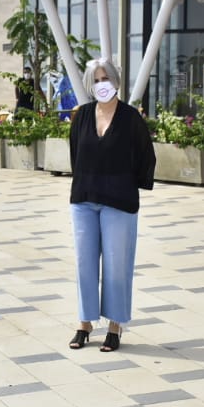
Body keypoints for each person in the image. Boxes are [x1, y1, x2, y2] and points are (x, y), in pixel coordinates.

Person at [67, 57, 155, 352]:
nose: (101, 85)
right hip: (84, 199)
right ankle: (84, 323)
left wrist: (131, 184)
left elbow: (145, 156)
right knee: (85, 264)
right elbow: (75, 154)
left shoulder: (131, 118)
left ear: (116, 81)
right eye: (96, 80)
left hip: (119, 201)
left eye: (106, 79)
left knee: (117, 266)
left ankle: (115, 325)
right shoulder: (81, 116)